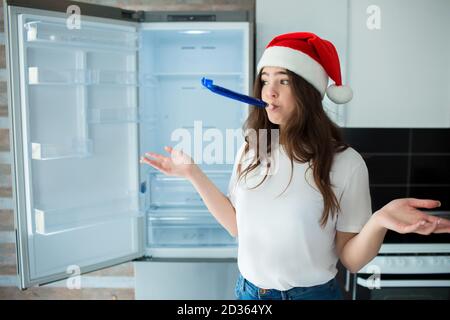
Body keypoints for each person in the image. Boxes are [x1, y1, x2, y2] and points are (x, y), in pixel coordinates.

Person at [140, 32, 450, 300]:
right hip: (249, 293)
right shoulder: (252, 149)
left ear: (307, 91)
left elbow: (352, 260)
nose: (269, 91)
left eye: (283, 81)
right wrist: (193, 174)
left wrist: (379, 221)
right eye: (265, 80)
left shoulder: (345, 163)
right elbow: (238, 226)